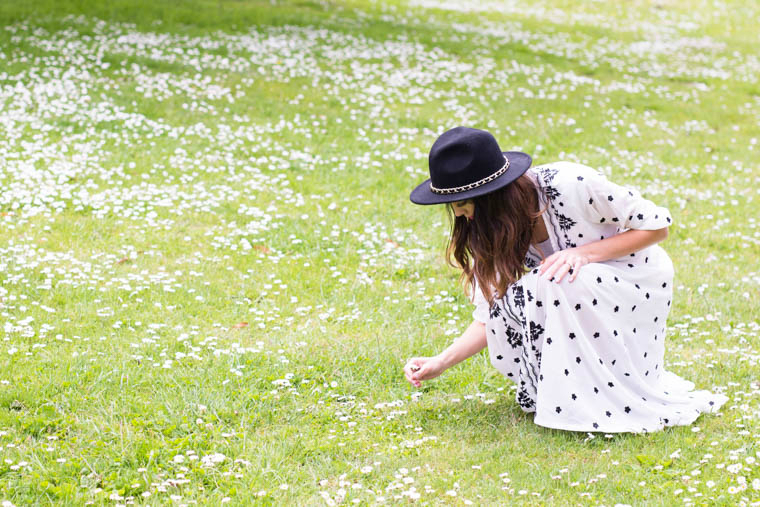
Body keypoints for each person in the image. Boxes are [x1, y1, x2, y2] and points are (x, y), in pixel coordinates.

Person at [403, 126, 728, 433]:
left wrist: (584, 254)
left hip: (635, 279)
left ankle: (600, 396)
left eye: (462, 204)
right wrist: (440, 362)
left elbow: (657, 227)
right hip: (573, 290)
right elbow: (492, 314)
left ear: (492, 196)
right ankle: (578, 392)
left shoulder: (573, 184)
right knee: (542, 285)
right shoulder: (488, 229)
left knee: (554, 279)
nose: (458, 215)